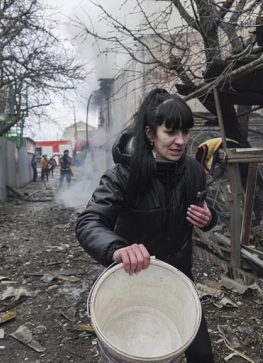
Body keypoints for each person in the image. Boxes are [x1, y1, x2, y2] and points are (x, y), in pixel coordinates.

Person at [75, 88, 217, 362]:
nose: (180, 141)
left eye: (185, 132)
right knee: (137, 352)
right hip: (132, 280)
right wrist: (118, 250)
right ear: (150, 134)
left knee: (201, 354)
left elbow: (210, 211)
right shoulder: (124, 175)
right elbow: (89, 222)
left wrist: (209, 219)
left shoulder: (192, 172)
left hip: (178, 282)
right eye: (171, 132)